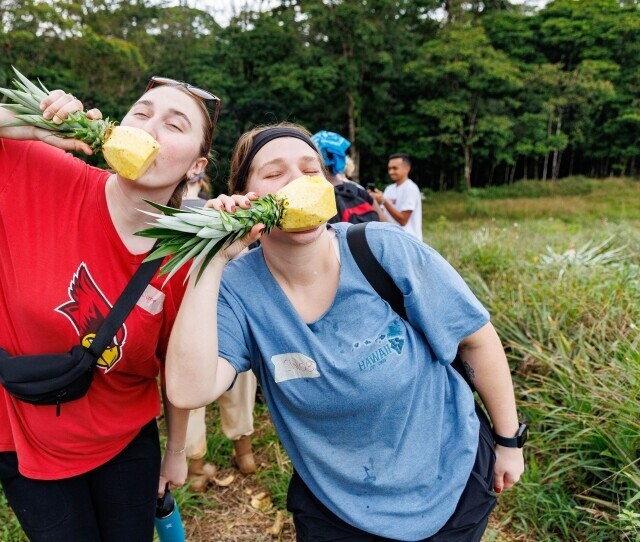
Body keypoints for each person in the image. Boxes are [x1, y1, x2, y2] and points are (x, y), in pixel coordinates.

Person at [0, 75, 221, 541]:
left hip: (127, 441)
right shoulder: (38, 174)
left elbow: (174, 367)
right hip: (28, 437)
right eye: (141, 114)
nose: (149, 129)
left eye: (175, 125)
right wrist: (29, 125)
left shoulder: (181, 258)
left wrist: (175, 451)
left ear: (196, 166)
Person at [166, 123, 525, 541]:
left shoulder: (383, 249)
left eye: (310, 169)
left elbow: (475, 338)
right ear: (244, 196)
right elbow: (189, 391)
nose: (298, 183)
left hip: (451, 479)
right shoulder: (238, 289)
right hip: (338, 508)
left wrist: (508, 441)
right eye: (274, 173)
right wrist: (210, 259)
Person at [180, 170, 259, 491]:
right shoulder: (227, 213)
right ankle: (245, 453)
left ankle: (197, 468)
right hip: (231, 316)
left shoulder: (168, 216)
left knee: (191, 397)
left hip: (188, 320)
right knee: (240, 385)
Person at [370, 153, 423, 241]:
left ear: (407, 169)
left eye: (395, 168)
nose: (391, 172)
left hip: (409, 241)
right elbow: (383, 216)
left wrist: (384, 201)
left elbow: (403, 220)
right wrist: (375, 202)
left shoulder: (410, 188)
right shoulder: (389, 189)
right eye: (389, 168)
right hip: (393, 239)